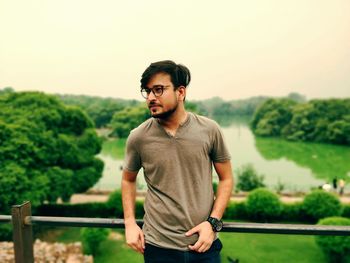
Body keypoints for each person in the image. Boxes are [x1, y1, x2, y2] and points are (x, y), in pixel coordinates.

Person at [121, 60, 234, 263]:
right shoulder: (138, 137)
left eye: (158, 90)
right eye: (147, 92)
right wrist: (130, 222)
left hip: (204, 244)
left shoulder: (209, 130)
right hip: (158, 247)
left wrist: (213, 223)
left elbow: (226, 178)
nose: (151, 98)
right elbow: (128, 179)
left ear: (180, 92)